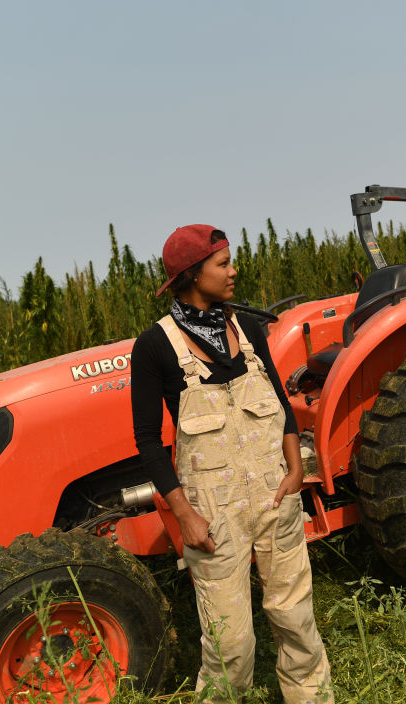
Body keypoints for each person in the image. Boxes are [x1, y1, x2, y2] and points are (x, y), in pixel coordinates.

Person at [131, 224, 333, 703]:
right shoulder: (155, 346)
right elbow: (147, 440)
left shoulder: (248, 329)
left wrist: (294, 470)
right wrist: (185, 514)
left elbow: (280, 401)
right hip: (212, 516)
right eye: (222, 264)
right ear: (191, 275)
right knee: (230, 645)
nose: (233, 271)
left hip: (275, 497)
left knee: (296, 619)